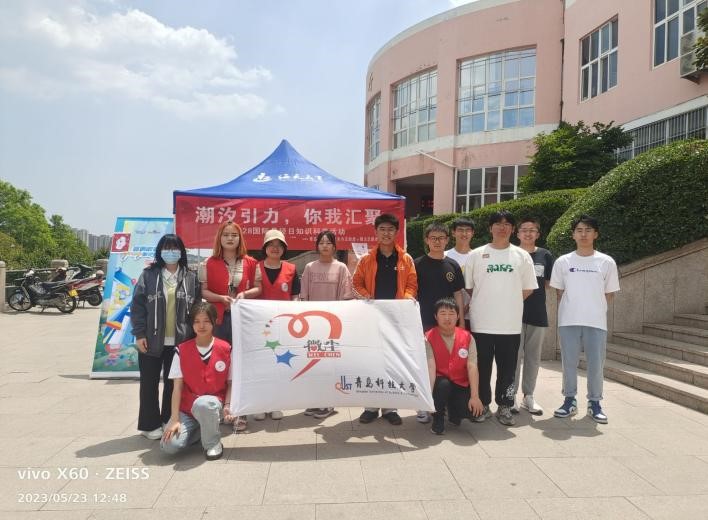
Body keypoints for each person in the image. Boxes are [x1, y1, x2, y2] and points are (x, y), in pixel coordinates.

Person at [464, 210, 537, 427]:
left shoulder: (522, 256)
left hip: (510, 325)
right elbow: (470, 287)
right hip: (481, 323)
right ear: (490, 228)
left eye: (507, 224)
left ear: (513, 229)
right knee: (482, 367)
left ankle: (505, 405)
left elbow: (528, 288)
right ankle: (483, 405)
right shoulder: (476, 255)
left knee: (508, 369)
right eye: (497, 223)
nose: (502, 227)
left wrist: (508, 301)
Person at [131, 234, 201, 440]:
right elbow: (137, 307)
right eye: (166, 248)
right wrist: (139, 334)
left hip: (180, 341)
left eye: (175, 248)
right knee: (149, 383)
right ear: (160, 251)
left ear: (181, 252)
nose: (171, 252)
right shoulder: (148, 275)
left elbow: (196, 309)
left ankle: (168, 419)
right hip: (151, 339)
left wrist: (194, 336)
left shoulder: (190, 277)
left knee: (174, 384)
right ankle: (149, 425)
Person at [551, 215, 620, 424]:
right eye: (579, 230)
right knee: (569, 363)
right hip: (568, 321)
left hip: (596, 322)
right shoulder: (563, 261)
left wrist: (594, 308)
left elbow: (609, 293)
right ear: (573, 235)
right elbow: (559, 292)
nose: (583, 234)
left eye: (588, 230)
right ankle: (569, 400)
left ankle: (595, 403)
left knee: (596, 365)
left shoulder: (606, 262)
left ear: (595, 234)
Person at [352, 213, 417, 426]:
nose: (386, 233)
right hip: (371, 318)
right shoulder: (366, 259)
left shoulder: (406, 259)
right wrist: (366, 296)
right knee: (371, 361)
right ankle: (371, 406)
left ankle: (390, 407)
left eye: (390, 229)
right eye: (382, 229)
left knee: (393, 361)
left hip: (396, 319)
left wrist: (405, 299)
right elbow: (356, 283)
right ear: (376, 232)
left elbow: (412, 284)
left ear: (396, 232)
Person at [200, 220, 260, 432]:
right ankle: (219, 408)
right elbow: (203, 291)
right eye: (226, 234)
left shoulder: (251, 262)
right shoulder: (208, 262)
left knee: (240, 363)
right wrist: (219, 298)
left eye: (234, 235)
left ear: (240, 238)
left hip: (241, 320)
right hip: (218, 320)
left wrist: (245, 294)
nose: (230, 238)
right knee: (219, 363)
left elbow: (258, 288)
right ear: (220, 238)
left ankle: (240, 411)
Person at [161, 302, 234, 460]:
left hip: (213, 404)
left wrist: (228, 405)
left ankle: (213, 443)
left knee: (204, 404)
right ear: (192, 324)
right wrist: (175, 419)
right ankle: (203, 429)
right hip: (187, 409)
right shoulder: (181, 350)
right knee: (169, 445)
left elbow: (230, 383)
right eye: (197, 321)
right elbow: (177, 388)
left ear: (214, 321)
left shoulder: (226, 348)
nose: (201, 326)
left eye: (206, 321)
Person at [414, 222, 465, 424]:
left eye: (441, 238)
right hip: (424, 323)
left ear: (447, 240)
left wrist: (461, 323)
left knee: (448, 366)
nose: (437, 242)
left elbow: (458, 294)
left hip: (448, 325)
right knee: (424, 366)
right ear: (426, 240)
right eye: (433, 238)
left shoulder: (453, 265)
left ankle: (444, 405)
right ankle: (423, 405)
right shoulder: (417, 264)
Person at [300, 230, 354, 419]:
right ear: (317, 246)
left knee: (330, 364)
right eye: (321, 242)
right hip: (313, 324)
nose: (324, 245)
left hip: (332, 325)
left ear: (334, 246)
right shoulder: (309, 267)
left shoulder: (341, 268)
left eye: (328, 242)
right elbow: (303, 296)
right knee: (314, 364)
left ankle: (328, 403)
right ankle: (315, 401)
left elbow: (346, 296)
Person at [255, 229, 301, 421]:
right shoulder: (255, 267)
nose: (275, 248)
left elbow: (295, 296)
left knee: (280, 364)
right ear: (265, 247)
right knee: (261, 365)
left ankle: (276, 404)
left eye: (279, 245)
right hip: (259, 327)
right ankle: (260, 404)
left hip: (282, 327)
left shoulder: (291, 269)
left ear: (284, 249)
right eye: (271, 244)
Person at [511, 217, 555, 415]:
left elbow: (547, 283)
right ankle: (510, 396)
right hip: (513, 314)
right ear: (517, 233)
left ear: (538, 234)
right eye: (524, 229)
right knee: (513, 357)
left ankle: (528, 396)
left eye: (532, 230)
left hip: (537, 313)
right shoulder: (511, 254)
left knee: (533, 357)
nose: (528, 233)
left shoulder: (545, 255)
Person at [426, 298, 484, 434]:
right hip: (439, 383)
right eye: (443, 313)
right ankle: (438, 417)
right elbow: (430, 367)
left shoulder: (468, 337)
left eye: (451, 313)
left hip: (460, 382)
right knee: (443, 385)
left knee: (472, 412)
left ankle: (453, 412)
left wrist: (475, 397)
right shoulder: (428, 337)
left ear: (458, 316)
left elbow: (472, 366)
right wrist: (428, 397)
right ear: (436, 316)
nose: (447, 318)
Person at [444, 218, 475, 331]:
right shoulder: (444, 255)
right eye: (460, 230)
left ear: (472, 233)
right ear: (453, 233)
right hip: (448, 314)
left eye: (468, 230)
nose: (464, 233)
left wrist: (468, 307)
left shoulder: (478, 256)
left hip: (473, 314)